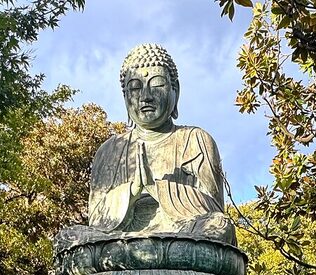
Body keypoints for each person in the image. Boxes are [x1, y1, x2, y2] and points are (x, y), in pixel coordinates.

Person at [56, 43, 237, 250]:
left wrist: (158, 188)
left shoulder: (196, 139)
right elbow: (98, 218)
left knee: (219, 227)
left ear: (175, 91)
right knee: (69, 239)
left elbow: (213, 209)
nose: (146, 96)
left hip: (182, 234)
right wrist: (131, 192)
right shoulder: (110, 150)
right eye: (135, 87)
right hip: (122, 237)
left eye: (157, 84)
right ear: (125, 97)